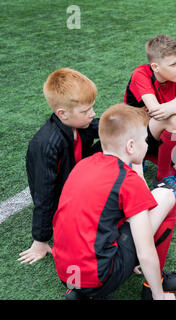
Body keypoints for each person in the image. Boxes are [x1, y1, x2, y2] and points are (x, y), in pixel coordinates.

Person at [52, 104, 176, 300]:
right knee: (166, 196)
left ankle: (80, 293)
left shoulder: (84, 164)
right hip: (99, 277)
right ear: (131, 146)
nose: (147, 144)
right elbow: (145, 252)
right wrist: (160, 296)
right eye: (145, 140)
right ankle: (153, 287)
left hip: (67, 274)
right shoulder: (127, 180)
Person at [19, 68, 101, 265]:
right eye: (86, 111)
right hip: (63, 200)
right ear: (62, 114)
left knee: (115, 140)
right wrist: (40, 240)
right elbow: (44, 194)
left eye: (91, 107)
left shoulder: (80, 123)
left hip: (77, 179)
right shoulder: (47, 145)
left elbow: (106, 127)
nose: (93, 113)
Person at [124, 34, 176, 200]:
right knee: (175, 119)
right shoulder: (141, 74)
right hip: (136, 136)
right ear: (155, 66)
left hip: (158, 136)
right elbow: (156, 111)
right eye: (173, 64)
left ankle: (150, 156)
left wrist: (175, 103)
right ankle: (162, 176)